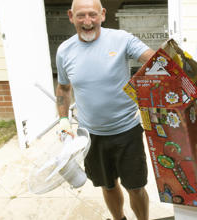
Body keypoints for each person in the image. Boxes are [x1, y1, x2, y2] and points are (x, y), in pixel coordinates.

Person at [55, 0, 154, 219]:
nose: (87, 22)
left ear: (103, 15)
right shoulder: (64, 51)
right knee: (108, 186)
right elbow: (63, 88)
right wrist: (63, 120)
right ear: (71, 16)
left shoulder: (121, 39)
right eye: (81, 16)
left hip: (127, 131)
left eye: (93, 15)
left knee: (135, 187)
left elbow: (154, 61)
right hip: (91, 136)